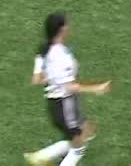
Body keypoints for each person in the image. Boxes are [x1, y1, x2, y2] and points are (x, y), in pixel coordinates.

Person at [24, 12, 112, 166]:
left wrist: (52, 78)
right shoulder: (60, 56)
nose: (70, 27)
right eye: (67, 24)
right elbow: (69, 87)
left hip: (57, 105)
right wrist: (96, 88)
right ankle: (43, 156)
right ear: (62, 29)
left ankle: (41, 156)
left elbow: (36, 79)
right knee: (79, 148)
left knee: (87, 132)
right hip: (65, 105)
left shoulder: (44, 49)